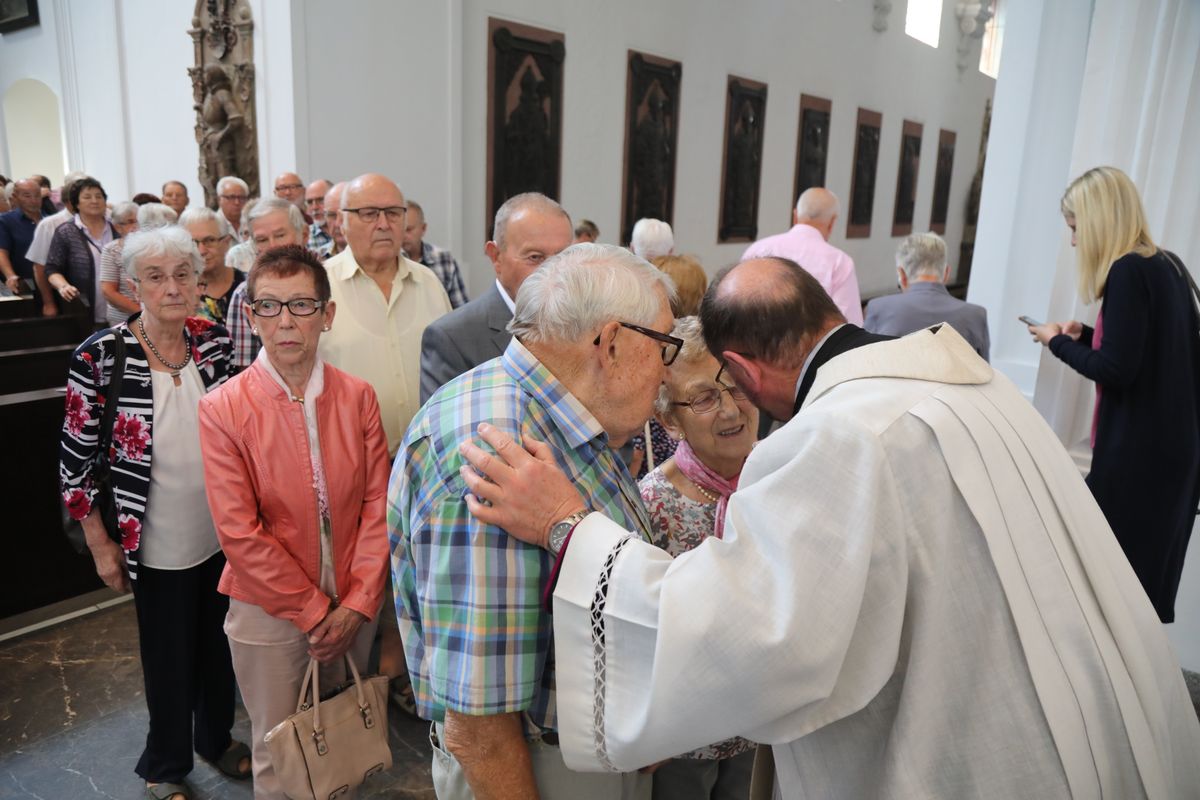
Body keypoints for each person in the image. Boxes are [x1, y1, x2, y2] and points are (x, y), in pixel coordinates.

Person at [458, 255, 1200, 799]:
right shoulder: (975, 387)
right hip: (1097, 721)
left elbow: (752, 634)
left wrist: (566, 524)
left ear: (744, 372)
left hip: (984, 758)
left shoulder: (839, 437)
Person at [391, 243, 675, 799]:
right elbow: (480, 728)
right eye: (663, 345)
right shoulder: (495, 450)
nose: (666, 372)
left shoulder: (561, 416)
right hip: (542, 770)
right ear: (611, 343)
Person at [60, 227, 247, 800]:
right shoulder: (100, 356)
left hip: (221, 534)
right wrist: (99, 544)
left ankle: (215, 738)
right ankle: (165, 765)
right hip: (153, 539)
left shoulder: (211, 341)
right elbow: (75, 465)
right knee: (169, 657)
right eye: (157, 277)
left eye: (184, 274)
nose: (172, 287)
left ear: (198, 279)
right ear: (133, 286)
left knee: (220, 646)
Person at [198, 244, 389, 800]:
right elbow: (239, 533)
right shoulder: (223, 408)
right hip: (269, 610)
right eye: (271, 306)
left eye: (302, 305)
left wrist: (357, 602)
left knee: (342, 734)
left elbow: (379, 504)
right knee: (280, 751)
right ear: (251, 315)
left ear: (326, 316)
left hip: (354, 600)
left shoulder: (357, 397)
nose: (286, 321)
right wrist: (312, 611)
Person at [1029, 165, 1200, 623]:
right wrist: (1086, 333)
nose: (1073, 241)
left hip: (1139, 460)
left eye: (1074, 228)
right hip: (1170, 456)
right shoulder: (1168, 266)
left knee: (1107, 595)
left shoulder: (1127, 272)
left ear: (1098, 220)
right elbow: (1147, 356)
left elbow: (1118, 371)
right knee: (1131, 596)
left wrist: (1055, 341)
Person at [637, 315, 758, 800]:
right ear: (669, 419)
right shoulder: (653, 505)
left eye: (737, 388)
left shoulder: (780, 478)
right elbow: (641, 630)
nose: (730, 411)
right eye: (705, 397)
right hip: (684, 739)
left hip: (762, 719)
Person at [320, 173, 450, 453]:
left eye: (393, 213)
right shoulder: (319, 287)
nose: (383, 224)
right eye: (369, 214)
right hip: (352, 462)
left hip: (429, 458)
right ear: (341, 222)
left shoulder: (428, 282)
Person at [418, 192, 573, 403]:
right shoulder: (453, 338)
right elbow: (446, 431)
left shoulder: (586, 324)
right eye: (535, 257)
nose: (554, 271)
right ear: (496, 256)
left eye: (564, 256)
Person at [742, 187, 863, 325]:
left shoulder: (757, 249)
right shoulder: (840, 262)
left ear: (795, 216)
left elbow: (738, 303)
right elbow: (848, 322)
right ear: (832, 222)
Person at [865, 231, 989, 359]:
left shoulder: (879, 308)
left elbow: (864, 362)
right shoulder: (976, 315)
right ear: (946, 273)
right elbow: (985, 373)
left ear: (901, 274)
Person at [225, 197, 309, 369]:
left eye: (280, 235)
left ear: (304, 235)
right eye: (262, 240)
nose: (273, 246)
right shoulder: (245, 295)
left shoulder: (333, 279)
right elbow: (246, 371)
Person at [44, 177, 117, 327]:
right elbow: (52, 270)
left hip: (120, 313)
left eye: (99, 196)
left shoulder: (117, 228)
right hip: (85, 313)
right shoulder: (66, 232)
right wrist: (63, 286)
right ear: (76, 203)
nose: (95, 201)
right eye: (87, 197)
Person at [100, 202, 177, 326]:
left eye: (137, 221)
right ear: (117, 227)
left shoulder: (152, 248)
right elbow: (108, 291)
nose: (135, 226)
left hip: (156, 315)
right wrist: (142, 311)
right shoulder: (111, 250)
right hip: (124, 318)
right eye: (130, 221)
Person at [28, 171, 86, 316]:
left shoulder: (107, 219)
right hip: (65, 296)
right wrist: (49, 303)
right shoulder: (50, 224)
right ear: (68, 201)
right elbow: (40, 266)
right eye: (84, 196)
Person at [180, 207, 243, 326]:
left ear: (226, 243)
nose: (201, 250)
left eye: (209, 240)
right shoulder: (178, 292)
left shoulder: (246, 286)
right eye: (193, 243)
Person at [401, 199, 469, 308]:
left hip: (440, 323)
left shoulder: (444, 259)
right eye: (401, 230)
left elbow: (461, 308)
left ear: (423, 229)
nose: (404, 235)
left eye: (409, 230)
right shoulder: (390, 260)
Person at [0, 178, 45, 291]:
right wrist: (10, 275)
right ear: (15, 197)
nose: (34, 200)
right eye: (27, 196)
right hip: (24, 285)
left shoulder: (50, 220)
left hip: (52, 283)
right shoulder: (5, 221)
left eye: (37, 195)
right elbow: (2, 252)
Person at [313, 181, 347, 260]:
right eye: (331, 215)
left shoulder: (377, 256)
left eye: (343, 216)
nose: (337, 224)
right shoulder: (316, 260)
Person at [216, 176, 249, 243]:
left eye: (241, 198)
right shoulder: (212, 224)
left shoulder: (250, 222)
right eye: (231, 197)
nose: (237, 202)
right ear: (219, 200)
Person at [304, 178, 333, 251]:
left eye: (320, 200)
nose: (314, 207)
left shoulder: (350, 231)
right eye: (310, 202)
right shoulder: (304, 238)